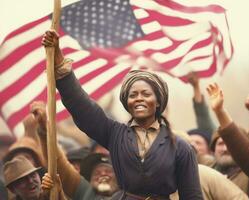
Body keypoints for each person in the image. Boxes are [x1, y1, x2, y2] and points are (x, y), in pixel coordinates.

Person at [42, 29, 203, 199]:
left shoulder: (181, 147)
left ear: (158, 102)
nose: (139, 99)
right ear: (127, 103)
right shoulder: (115, 134)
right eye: (133, 95)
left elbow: (192, 196)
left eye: (146, 94)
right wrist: (60, 62)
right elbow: (83, 109)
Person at [31, 101, 120, 200]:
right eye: (97, 173)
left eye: (108, 171)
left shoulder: (131, 188)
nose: (103, 174)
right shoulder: (85, 191)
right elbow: (59, 165)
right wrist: (44, 131)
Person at [206, 83, 249, 200]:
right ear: (212, 150)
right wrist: (220, 111)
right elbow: (242, 149)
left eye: (227, 144)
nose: (225, 149)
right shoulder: (207, 168)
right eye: (220, 144)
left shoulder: (248, 178)